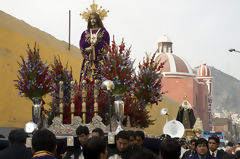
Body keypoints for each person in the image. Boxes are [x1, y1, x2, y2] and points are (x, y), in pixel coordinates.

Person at [79, 10, 110, 82]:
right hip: (88, 63)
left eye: (94, 18)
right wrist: (86, 49)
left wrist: (95, 47)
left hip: (100, 62)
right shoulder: (85, 33)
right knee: (86, 82)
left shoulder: (104, 32)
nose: (92, 20)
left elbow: (106, 46)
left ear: (98, 19)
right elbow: (81, 44)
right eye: (91, 19)